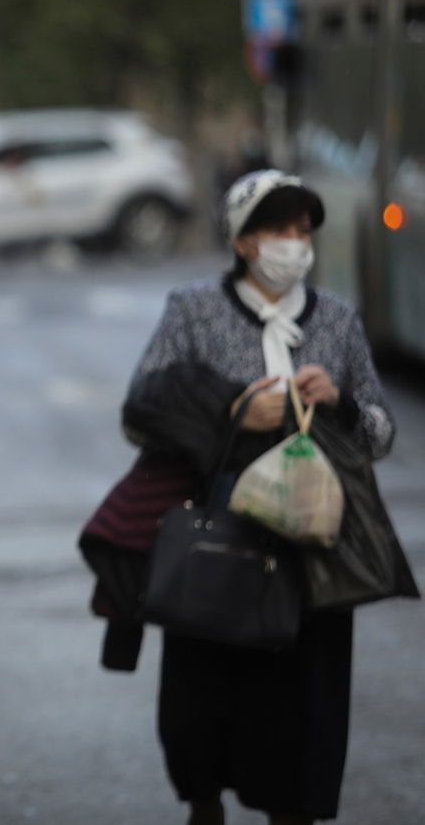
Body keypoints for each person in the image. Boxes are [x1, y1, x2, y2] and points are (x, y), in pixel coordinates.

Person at [121, 170, 394, 825]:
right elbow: (141, 413)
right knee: (204, 686)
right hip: (219, 535)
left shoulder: (336, 318)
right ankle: (204, 800)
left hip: (311, 544)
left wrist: (341, 401)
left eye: (304, 231)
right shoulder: (193, 310)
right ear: (244, 242)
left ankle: (292, 808)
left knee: (303, 700)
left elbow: (382, 434)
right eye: (280, 229)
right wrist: (234, 411)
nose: (295, 243)